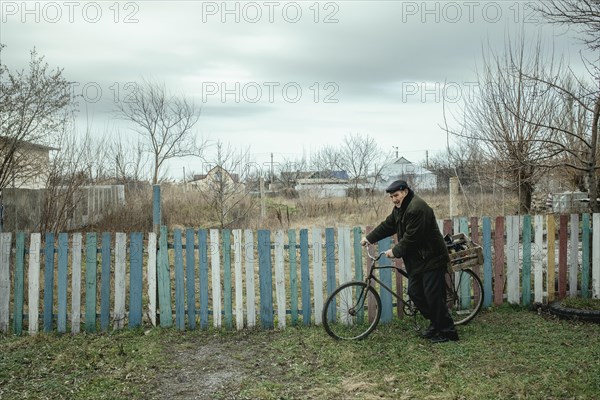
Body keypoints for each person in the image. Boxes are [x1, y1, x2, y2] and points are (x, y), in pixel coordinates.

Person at [361, 179, 459, 344]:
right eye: (391, 197)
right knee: (415, 293)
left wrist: (396, 251)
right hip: (419, 260)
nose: (394, 199)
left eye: (396, 195)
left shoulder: (417, 208)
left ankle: (448, 332)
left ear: (405, 192)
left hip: (432, 258)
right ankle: (436, 324)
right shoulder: (400, 209)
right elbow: (388, 225)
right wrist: (370, 238)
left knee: (432, 297)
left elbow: (413, 238)